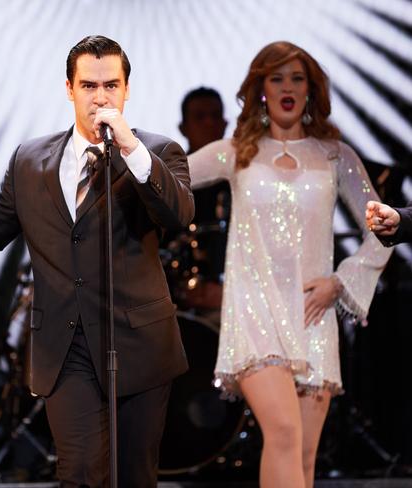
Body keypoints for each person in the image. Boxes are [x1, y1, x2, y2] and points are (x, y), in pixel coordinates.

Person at [0, 35, 194, 487]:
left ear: (127, 90)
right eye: (88, 85)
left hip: (138, 343)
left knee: (133, 476)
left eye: (110, 85)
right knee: (80, 471)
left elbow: (178, 213)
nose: (100, 97)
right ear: (69, 89)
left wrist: (130, 151)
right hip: (67, 346)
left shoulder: (157, 153)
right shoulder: (30, 160)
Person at [187, 41, 392, 488]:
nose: (287, 87)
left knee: (301, 457)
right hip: (256, 315)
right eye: (276, 77)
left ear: (310, 89)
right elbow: (169, 177)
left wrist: (340, 284)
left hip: (314, 317)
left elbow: (384, 228)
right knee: (281, 433)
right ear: (260, 88)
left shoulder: (335, 155)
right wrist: (122, 149)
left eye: (297, 78)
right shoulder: (236, 151)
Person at [173, 87, 230, 312]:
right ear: (183, 128)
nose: (209, 123)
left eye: (215, 116)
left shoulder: (245, 180)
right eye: (199, 117)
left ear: (225, 124)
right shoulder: (170, 183)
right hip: (183, 303)